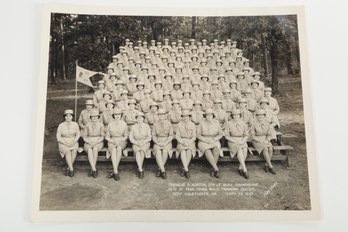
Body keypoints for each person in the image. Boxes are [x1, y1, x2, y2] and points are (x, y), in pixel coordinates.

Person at [197, 108, 223, 178]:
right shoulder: (201, 123)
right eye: (207, 115)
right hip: (203, 140)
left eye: (210, 115)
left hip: (214, 139)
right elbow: (198, 135)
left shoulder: (217, 123)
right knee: (207, 149)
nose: (209, 116)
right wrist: (205, 140)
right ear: (205, 116)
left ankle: (212, 168)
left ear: (213, 116)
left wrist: (214, 139)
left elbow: (220, 134)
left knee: (216, 149)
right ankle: (216, 169)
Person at [224, 109, 250, 179]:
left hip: (241, 139)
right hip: (232, 141)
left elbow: (246, 135)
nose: (236, 117)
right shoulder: (228, 123)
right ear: (232, 116)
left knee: (245, 148)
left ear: (240, 116)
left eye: (237, 115)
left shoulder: (243, 124)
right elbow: (226, 136)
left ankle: (240, 167)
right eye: (234, 115)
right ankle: (245, 169)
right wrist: (234, 141)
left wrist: (243, 141)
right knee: (239, 148)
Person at [105, 109, 128, 181]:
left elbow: (126, 135)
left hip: (121, 140)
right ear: (113, 116)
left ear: (121, 115)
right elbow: (107, 136)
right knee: (114, 149)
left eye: (118, 114)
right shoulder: (110, 124)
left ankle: (114, 171)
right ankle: (116, 171)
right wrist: (111, 141)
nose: (117, 116)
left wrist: (121, 140)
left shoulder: (124, 124)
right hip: (112, 140)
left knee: (118, 148)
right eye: (115, 115)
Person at [250, 109, 276, 174]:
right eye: (259, 116)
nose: (260, 118)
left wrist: (267, 140)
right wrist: (260, 140)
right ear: (256, 117)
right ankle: (270, 166)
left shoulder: (268, 124)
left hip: (265, 139)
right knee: (265, 148)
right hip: (256, 140)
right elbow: (252, 136)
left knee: (270, 148)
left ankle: (266, 165)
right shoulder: (254, 124)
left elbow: (269, 134)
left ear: (264, 117)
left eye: (262, 116)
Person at [56, 109, 80, 177]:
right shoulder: (61, 125)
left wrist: (74, 141)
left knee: (74, 150)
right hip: (63, 142)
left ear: (72, 117)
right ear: (64, 117)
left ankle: (68, 168)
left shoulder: (75, 124)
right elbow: (58, 137)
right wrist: (65, 143)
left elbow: (78, 134)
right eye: (66, 116)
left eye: (70, 116)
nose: (68, 117)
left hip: (73, 141)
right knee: (68, 151)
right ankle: (71, 169)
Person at [152, 109, 174, 179]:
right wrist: (157, 142)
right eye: (160, 114)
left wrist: (166, 142)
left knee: (165, 151)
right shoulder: (155, 124)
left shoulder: (168, 123)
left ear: (165, 115)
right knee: (158, 151)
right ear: (158, 115)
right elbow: (154, 135)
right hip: (158, 141)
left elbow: (171, 135)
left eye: (163, 114)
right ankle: (163, 170)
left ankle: (159, 169)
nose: (161, 116)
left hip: (167, 141)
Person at [129, 112, 152, 179]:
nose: (139, 119)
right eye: (138, 118)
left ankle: (140, 169)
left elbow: (149, 137)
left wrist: (143, 142)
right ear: (136, 119)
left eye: (141, 118)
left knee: (141, 151)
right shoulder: (133, 127)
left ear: (143, 118)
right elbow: (131, 138)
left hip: (145, 143)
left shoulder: (146, 126)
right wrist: (136, 143)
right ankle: (140, 169)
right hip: (136, 143)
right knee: (138, 151)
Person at [83, 109, 105, 178]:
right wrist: (88, 141)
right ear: (91, 117)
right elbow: (85, 136)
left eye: (96, 117)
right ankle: (94, 169)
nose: (94, 118)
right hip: (89, 141)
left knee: (95, 149)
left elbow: (102, 136)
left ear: (98, 117)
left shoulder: (101, 125)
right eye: (93, 117)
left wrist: (97, 141)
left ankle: (92, 169)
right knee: (89, 150)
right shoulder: (87, 125)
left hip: (98, 141)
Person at [175, 110, 196, 179]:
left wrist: (189, 142)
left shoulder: (192, 125)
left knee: (189, 150)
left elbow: (194, 137)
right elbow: (177, 136)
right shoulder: (179, 124)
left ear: (189, 117)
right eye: (183, 116)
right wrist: (182, 142)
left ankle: (184, 169)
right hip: (182, 141)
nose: (185, 118)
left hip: (190, 141)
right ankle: (186, 170)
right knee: (183, 150)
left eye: (187, 116)